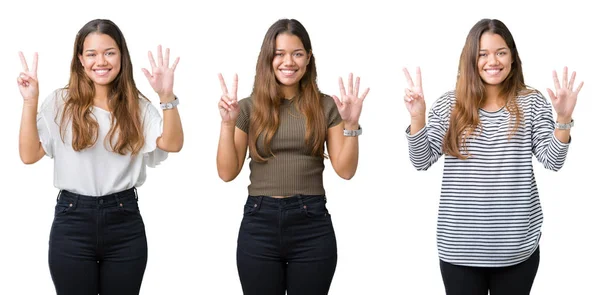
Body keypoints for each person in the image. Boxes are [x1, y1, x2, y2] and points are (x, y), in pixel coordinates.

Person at [403, 18, 583, 295]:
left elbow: (553, 160)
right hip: (460, 249)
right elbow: (421, 159)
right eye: (483, 54)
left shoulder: (531, 102)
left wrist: (563, 119)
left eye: (500, 52)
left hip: (517, 248)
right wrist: (417, 118)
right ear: (471, 59)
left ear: (512, 57)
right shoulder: (450, 104)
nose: (492, 61)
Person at [17, 19, 183, 295]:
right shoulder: (60, 103)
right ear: (80, 60)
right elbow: (28, 154)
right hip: (72, 222)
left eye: (109, 52)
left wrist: (166, 96)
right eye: (91, 54)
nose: (100, 61)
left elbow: (173, 143)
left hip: (124, 222)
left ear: (121, 56)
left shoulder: (137, 107)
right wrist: (29, 101)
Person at [216, 18, 369, 295]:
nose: (289, 62)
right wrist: (227, 124)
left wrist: (351, 125)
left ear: (309, 58)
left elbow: (345, 171)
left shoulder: (326, 106)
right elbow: (227, 173)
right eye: (279, 54)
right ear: (268, 59)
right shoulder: (247, 109)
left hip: (311, 224)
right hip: (259, 223)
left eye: (297, 54)